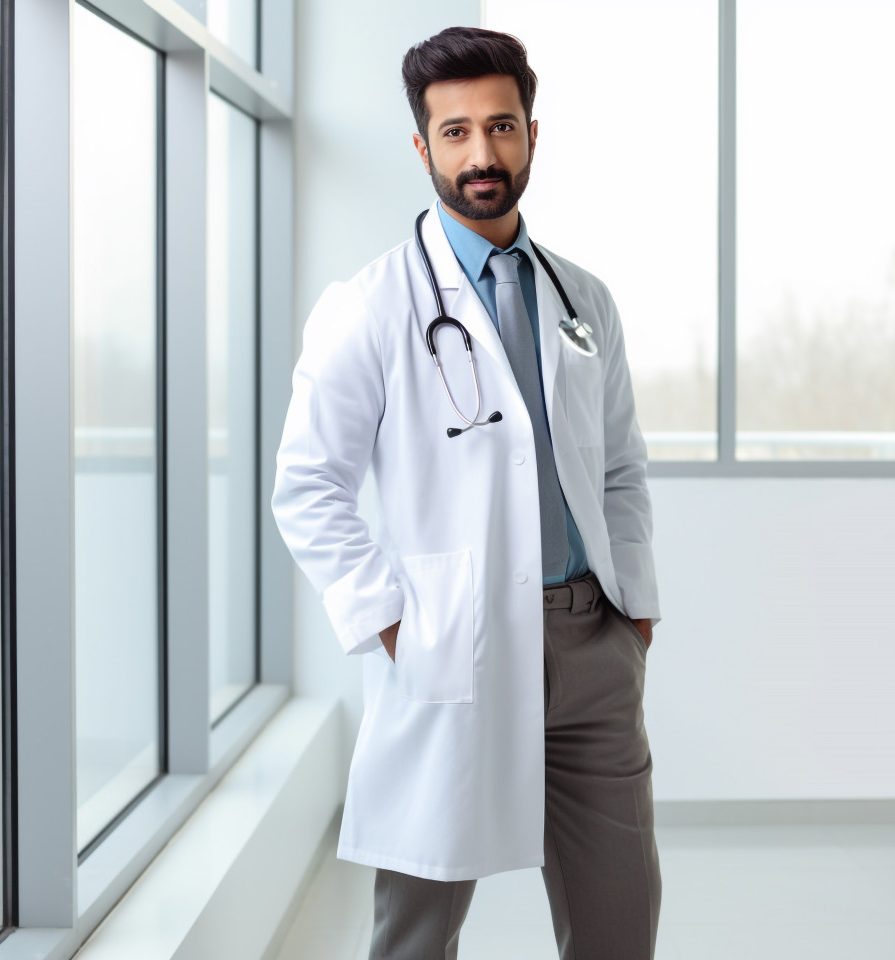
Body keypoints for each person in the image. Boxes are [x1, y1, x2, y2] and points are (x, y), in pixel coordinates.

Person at [272, 25, 661, 960]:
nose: (481, 154)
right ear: (423, 147)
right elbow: (308, 486)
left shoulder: (584, 300)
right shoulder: (370, 305)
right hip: (454, 643)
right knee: (418, 929)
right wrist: (394, 623)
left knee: (621, 918)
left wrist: (635, 610)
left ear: (532, 133)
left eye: (500, 126)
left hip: (593, 645)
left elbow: (620, 466)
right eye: (456, 132)